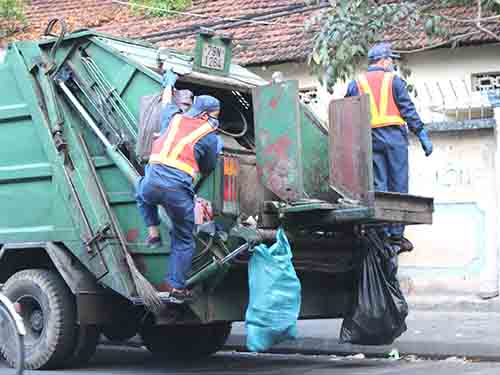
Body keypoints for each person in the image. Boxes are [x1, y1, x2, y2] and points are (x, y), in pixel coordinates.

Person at [136, 70, 222, 301]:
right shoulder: (209, 135)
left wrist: (169, 84)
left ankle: (152, 231)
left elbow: (166, 103)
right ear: (207, 115)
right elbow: (208, 167)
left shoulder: (174, 118)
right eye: (215, 114)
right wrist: (216, 147)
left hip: (152, 182)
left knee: (141, 190)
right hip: (177, 191)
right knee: (184, 239)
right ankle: (176, 287)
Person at [345, 42, 433, 253]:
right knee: (398, 187)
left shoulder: (356, 83)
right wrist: (421, 134)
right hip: (394, 139)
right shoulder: (394, 80)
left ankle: (382, 231)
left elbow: (347, 112)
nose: (392, 63)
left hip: (370, 139)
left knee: (380, 187)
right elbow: (407, 109)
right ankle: (396, 235)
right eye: (391, 60)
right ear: (384, 60)